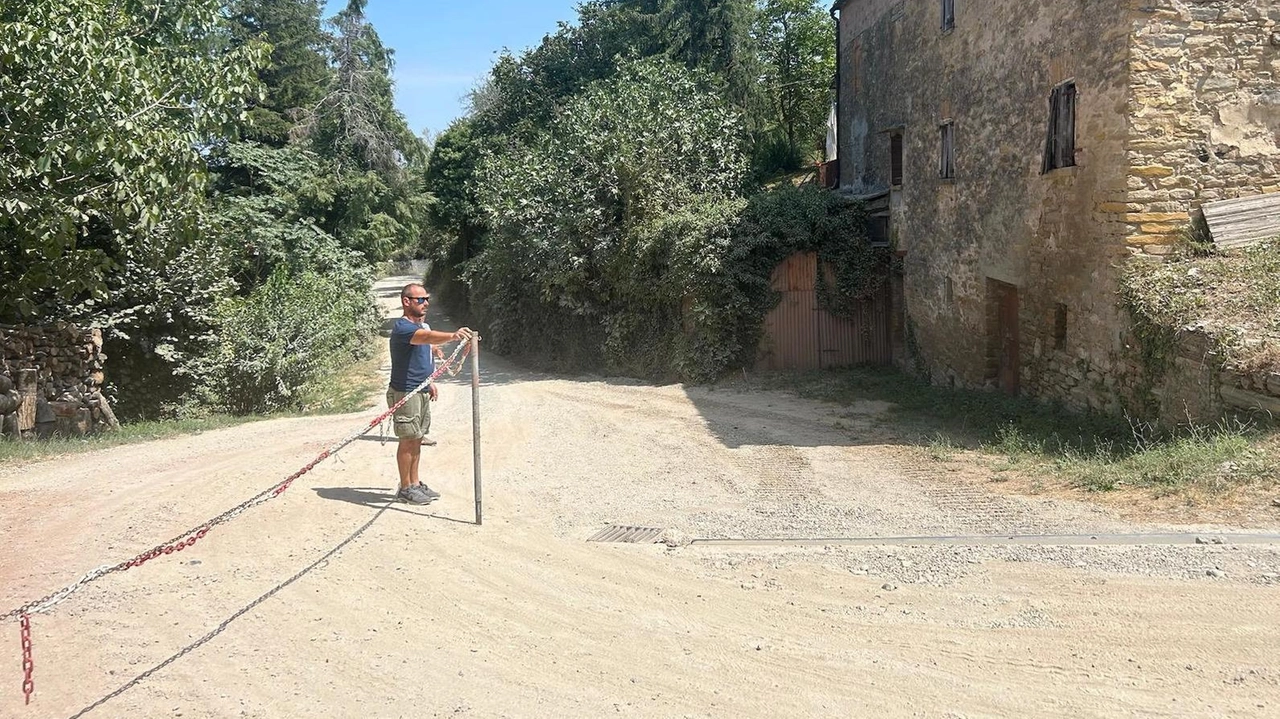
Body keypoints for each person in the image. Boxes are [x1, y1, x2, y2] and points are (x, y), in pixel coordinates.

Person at [387, 283, 472, 504]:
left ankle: (414, 483)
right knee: (407, 440)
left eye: (427, 299)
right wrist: (453, 336)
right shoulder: (404, 328)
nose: (425, 303)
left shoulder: (422, 325)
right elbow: (427, 338)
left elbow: (424, 351)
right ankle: (405, 488)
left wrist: (429, 381)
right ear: (406, 302)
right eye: (420, 300)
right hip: (406, 392)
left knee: (417, 439)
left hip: (420, 389)